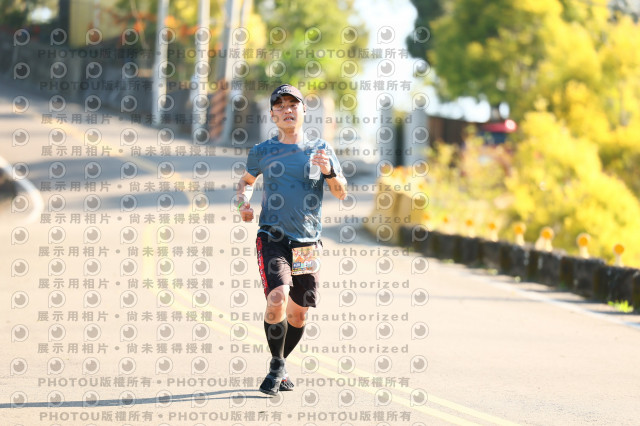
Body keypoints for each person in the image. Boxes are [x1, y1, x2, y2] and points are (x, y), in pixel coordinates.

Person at [235, 84, 348, 396]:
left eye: (293, 105)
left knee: (298, 314)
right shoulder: (262, 151)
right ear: (273, 114)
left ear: (303, 111)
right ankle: (276, 367)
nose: (287, 110)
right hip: (272, 237)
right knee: (277, 297)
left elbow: (341, 192)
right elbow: (246, 182)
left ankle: (280, 365)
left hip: (308, 244)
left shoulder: (320, 150)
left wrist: (329, 172)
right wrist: (243, 202)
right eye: (280, 105)